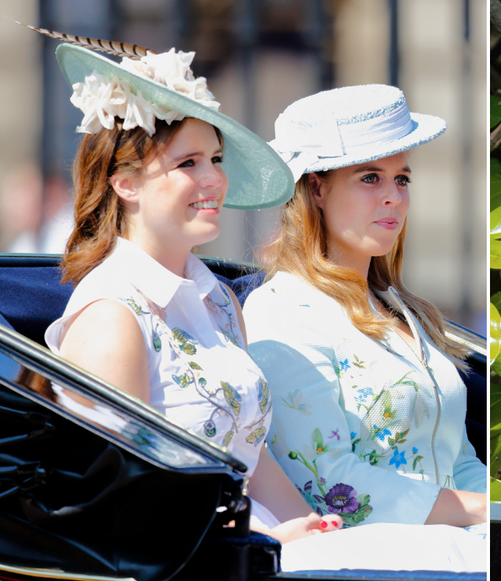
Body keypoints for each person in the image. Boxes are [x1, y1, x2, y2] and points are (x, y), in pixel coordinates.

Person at [41, 39, 343, 544]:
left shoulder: (220, 301)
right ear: (125, 184)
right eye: (188, 164)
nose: (214, 180)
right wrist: (264, 540)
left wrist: (316, 529)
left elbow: (252, 454)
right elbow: (123, 504)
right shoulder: (111, 315)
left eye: (216, 159)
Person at [242, 85, 487, 570]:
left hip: (457, 553)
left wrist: (500, 514)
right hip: (366, 562)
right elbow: (330, 482)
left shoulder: (405, 309)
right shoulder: (282, 311)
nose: (394, 198)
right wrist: (477, 511)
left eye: (402, 180)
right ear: (316, 188)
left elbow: (458, 458)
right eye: (370, 178)